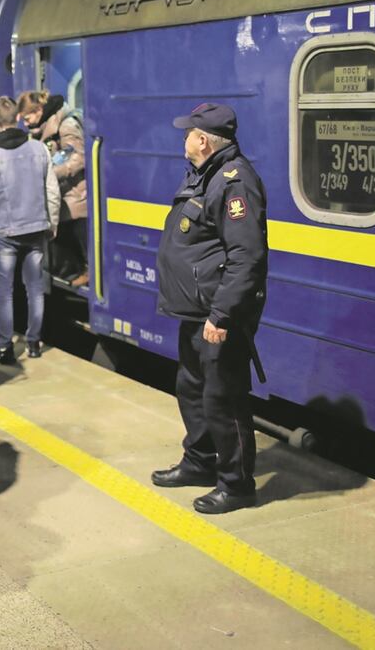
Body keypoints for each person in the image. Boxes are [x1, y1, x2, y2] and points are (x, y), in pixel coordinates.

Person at [151, 103, 268, 514]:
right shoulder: (207, 174)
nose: (183, 138)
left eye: (188, 133)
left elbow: (246, 257)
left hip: (218, 313)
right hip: (195, 310)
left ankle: (236, 484)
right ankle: (200, 461)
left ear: (202, 140)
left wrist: (222, 315)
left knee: (225, 398)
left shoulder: (234, 183)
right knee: (192, 388)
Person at [0, 96, 61, 364]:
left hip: (5, 234)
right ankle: (34, 343)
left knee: (4, 292)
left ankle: (5, 348)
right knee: (34, 289)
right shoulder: (39, 148)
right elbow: (52, 191)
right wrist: (53, 223)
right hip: (36, 229)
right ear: (17, 118)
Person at [18, 91, 88, 286]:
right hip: (64, 191)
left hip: (76, 192)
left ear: (39, 110)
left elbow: (78, 157)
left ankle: (85, 270)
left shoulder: (65, 126)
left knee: (74, 235)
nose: (26, 122)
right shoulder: (46, 126)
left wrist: (50, 174)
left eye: (27, 117)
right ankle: (75, 271)